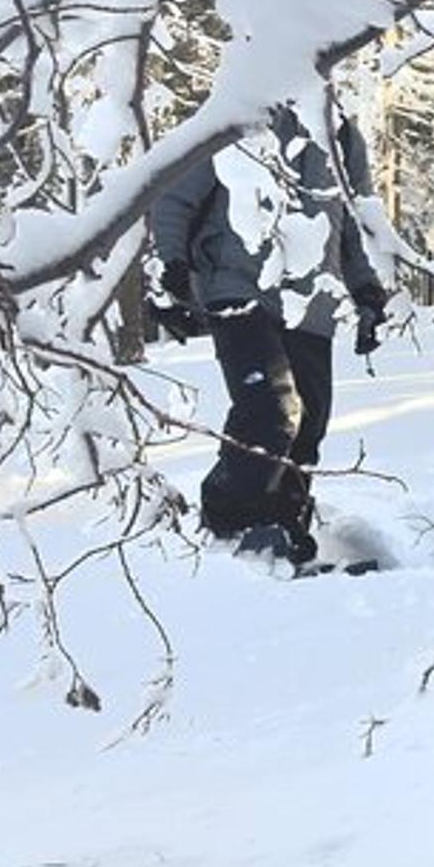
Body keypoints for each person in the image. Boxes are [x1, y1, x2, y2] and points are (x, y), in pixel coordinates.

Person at [152, 99, 391, 565]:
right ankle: (230, 523)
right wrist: (172, 266)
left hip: (311, 303)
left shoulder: (339, 132)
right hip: (237, 287)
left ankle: (283, 526)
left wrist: (366, 291)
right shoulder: (241, 110)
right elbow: (175, 197)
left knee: (311, 418)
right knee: (271, 409)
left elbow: (353, 223)